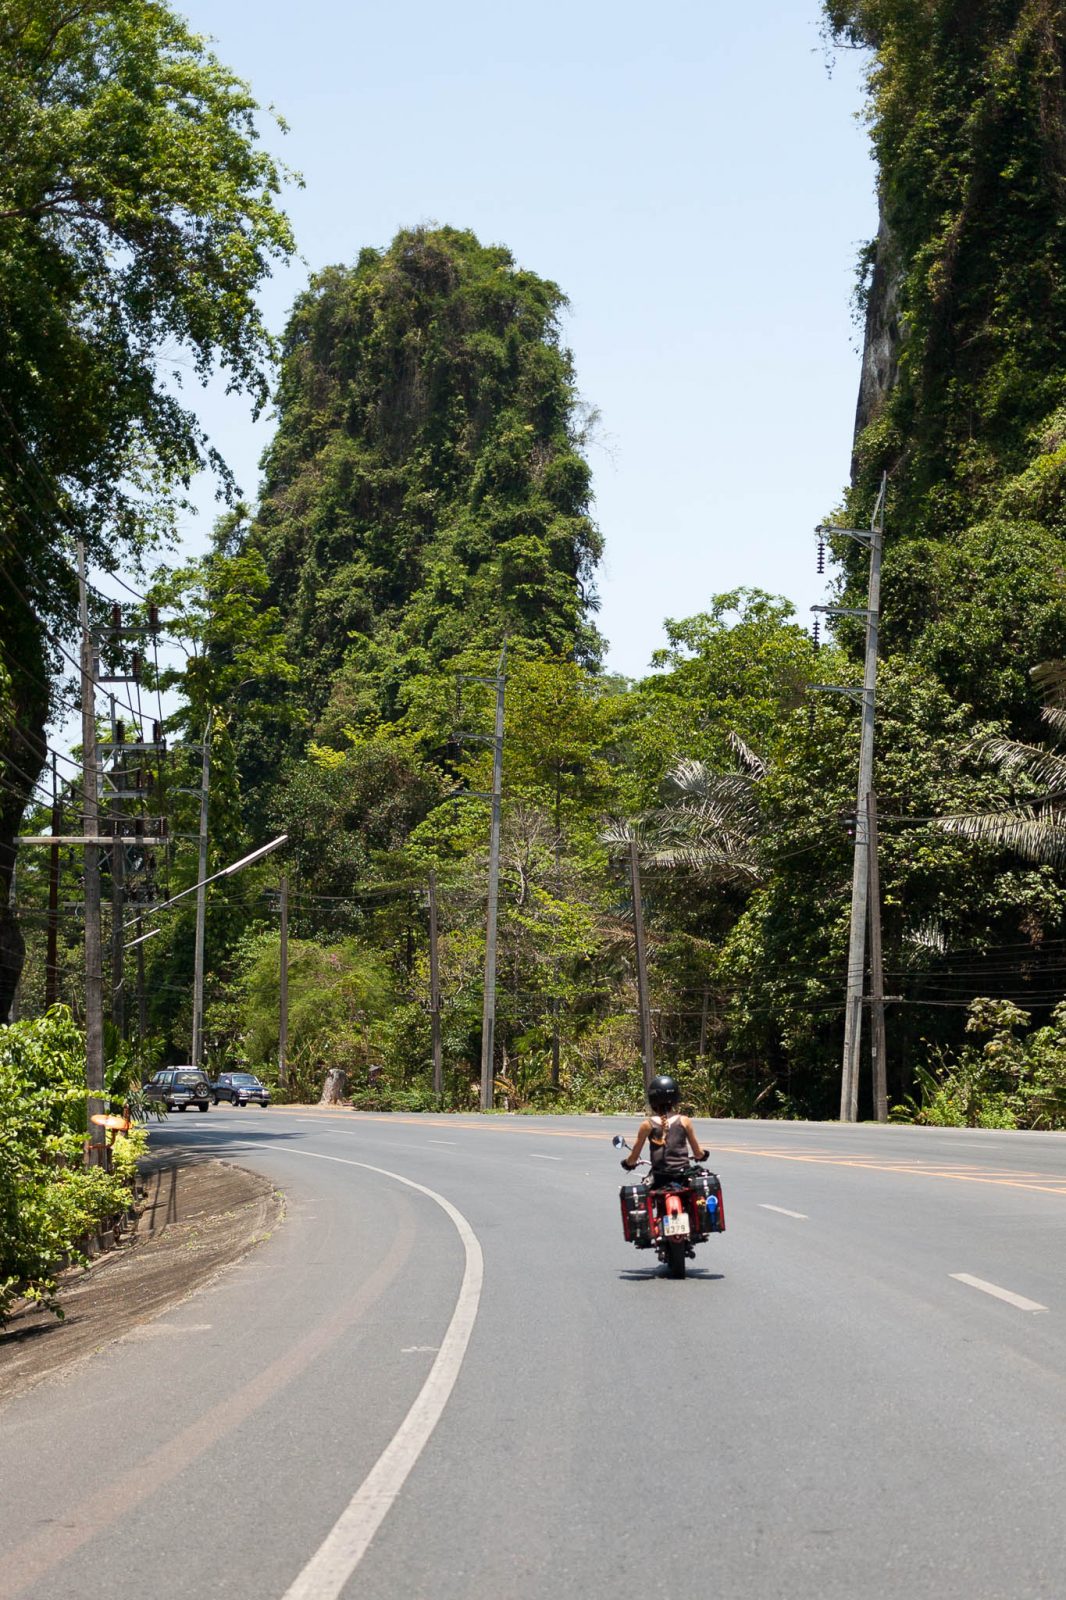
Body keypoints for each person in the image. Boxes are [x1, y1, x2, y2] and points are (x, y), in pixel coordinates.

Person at [620, 1075, 708, 1184]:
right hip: (682, 1176)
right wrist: (703, 1154)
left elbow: (634, 1157)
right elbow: (698, 1154)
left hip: (659, 1178)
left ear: (652, 1099)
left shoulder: (647, 1124)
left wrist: (628, 1163)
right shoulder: (684, 1121)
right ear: (675, 1098)